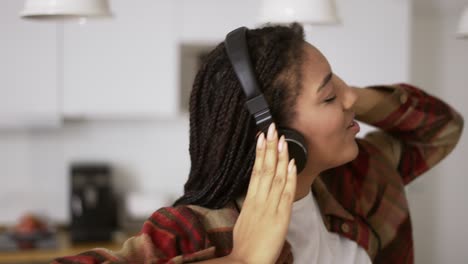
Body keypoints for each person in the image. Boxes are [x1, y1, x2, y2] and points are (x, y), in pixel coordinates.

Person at [53, 23, 463, 264]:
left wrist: (348, 94)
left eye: (340, 81)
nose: (352, 96)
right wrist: (242, 260)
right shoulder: (193, 232)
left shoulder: (362, 175)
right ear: (276, 134)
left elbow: (440, 129)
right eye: (328, 96)